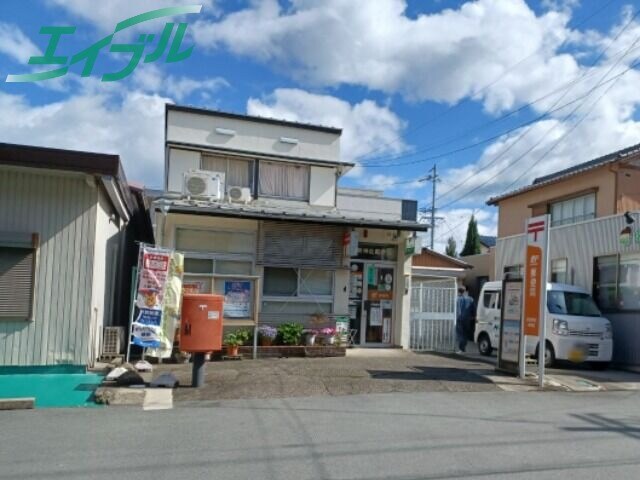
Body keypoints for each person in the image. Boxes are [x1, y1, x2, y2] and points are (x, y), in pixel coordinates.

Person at [455, 286, 474, 353]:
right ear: (465, 291)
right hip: (467, 319)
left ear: (459, 292)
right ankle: (464, 348)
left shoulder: (458, 299)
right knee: (465, 334)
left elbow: (456, 310)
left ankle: (461, 349)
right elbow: (473, 309)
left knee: (460, 334)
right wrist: (473, 317)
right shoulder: (471, 299)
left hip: (459, 319)